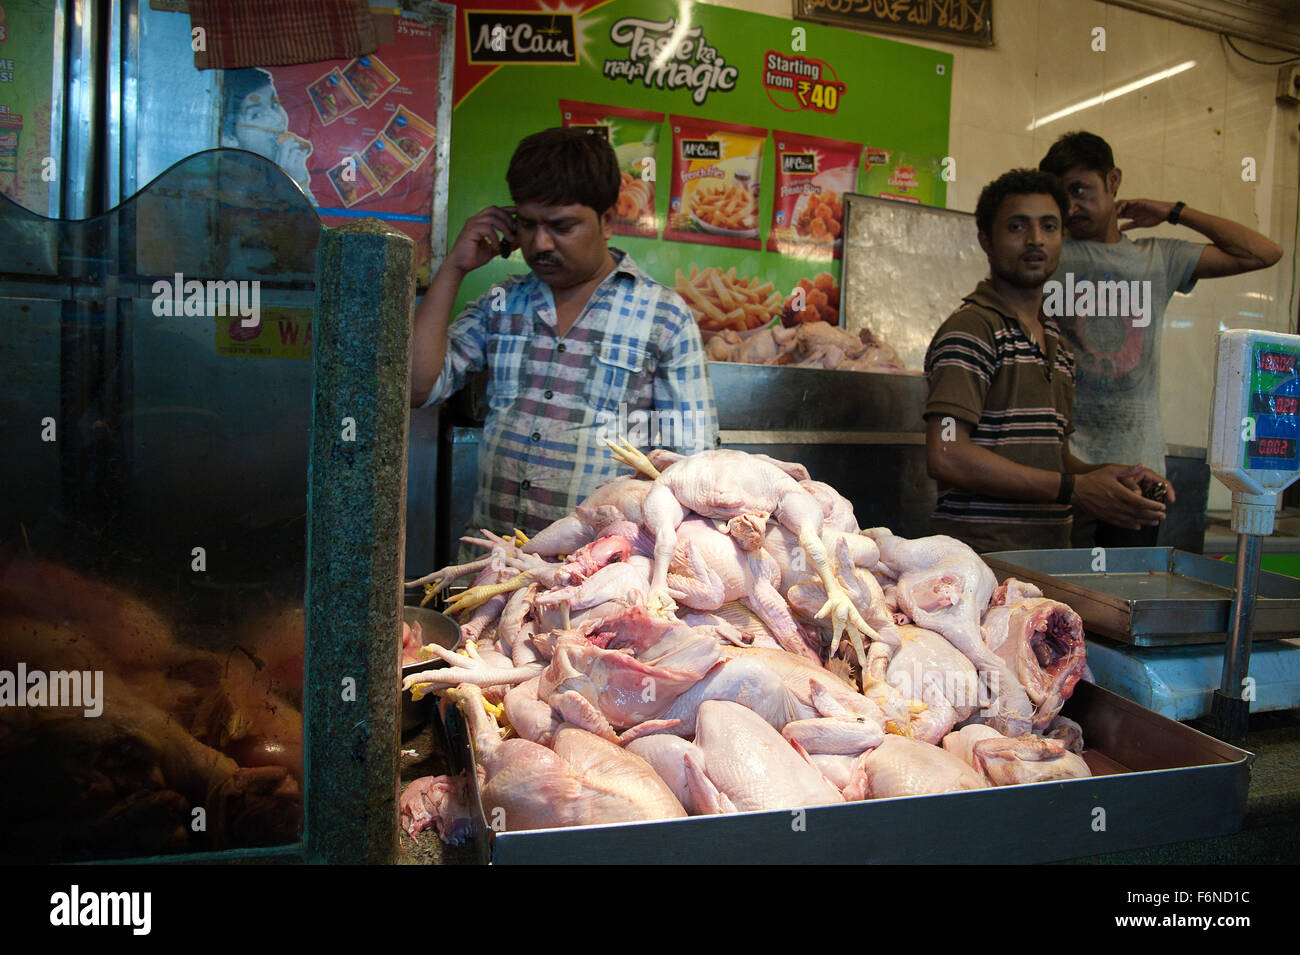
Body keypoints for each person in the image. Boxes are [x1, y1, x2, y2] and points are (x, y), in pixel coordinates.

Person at [410, 127, 718, 539]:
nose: (539, 244)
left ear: (607, 220)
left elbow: (693, 461)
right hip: (494, 564)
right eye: (526, 224)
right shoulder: (503, 302)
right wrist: (453, 267)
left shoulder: (663, 316)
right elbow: (417, 387)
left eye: (561, 226)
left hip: (600, 576)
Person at [1039, 131, 1282, 547]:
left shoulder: (1156, 258)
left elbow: (1263, 252)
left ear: (1113, 180)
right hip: (1064, 469)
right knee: (1051, 601)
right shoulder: (1049, 252)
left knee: (1119, 599)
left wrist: (1173, 211)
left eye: (1081, 189)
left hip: (1138, 471)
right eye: (1063, 197)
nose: (1072, 207)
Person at [924, 169, 1169, 553]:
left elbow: (1055, 461)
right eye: (1017, 227)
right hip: (979, 564)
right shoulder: (972, 330)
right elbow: (948, 454)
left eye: (1049, 226)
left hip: (1048, 559)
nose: (1035, 239)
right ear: (986, 241)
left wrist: (1108, 477)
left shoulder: (1056, 343)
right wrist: (1074, 488)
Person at [220, 68, 312, 195]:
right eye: (257, 115)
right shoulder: (230, 187)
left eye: (274, 105)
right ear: (228, 138)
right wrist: (293, 185)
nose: (278, 118)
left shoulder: (267, 173)